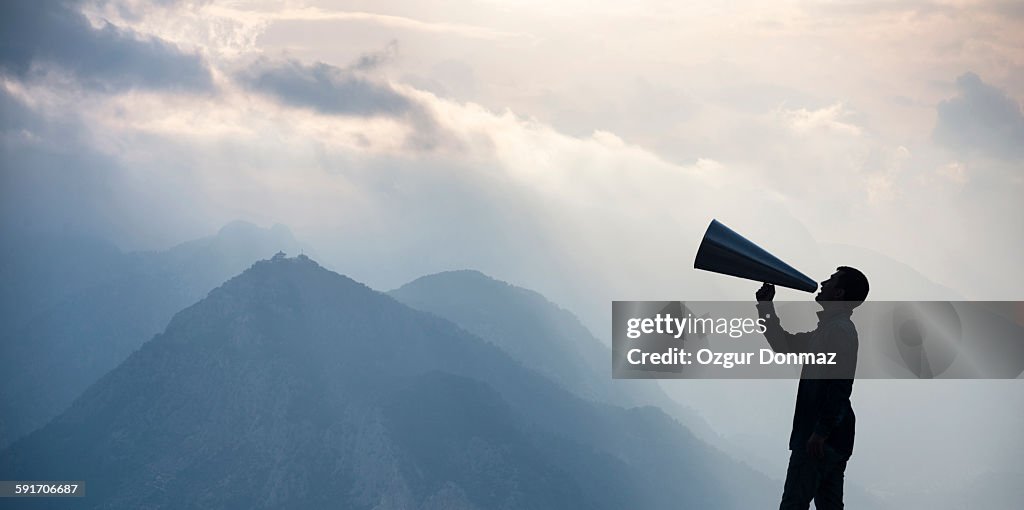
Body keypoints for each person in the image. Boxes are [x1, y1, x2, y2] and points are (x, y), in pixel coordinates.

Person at [755, 266, 869, 510]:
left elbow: (840, 385)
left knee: (793, 504)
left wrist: (820, 431)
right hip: (833, 437)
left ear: (838, 294)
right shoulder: (828, 331)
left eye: (830, 280)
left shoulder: (837, 332)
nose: (823, 283)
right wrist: (765, 308)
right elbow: (783, 345)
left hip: (819, 439)